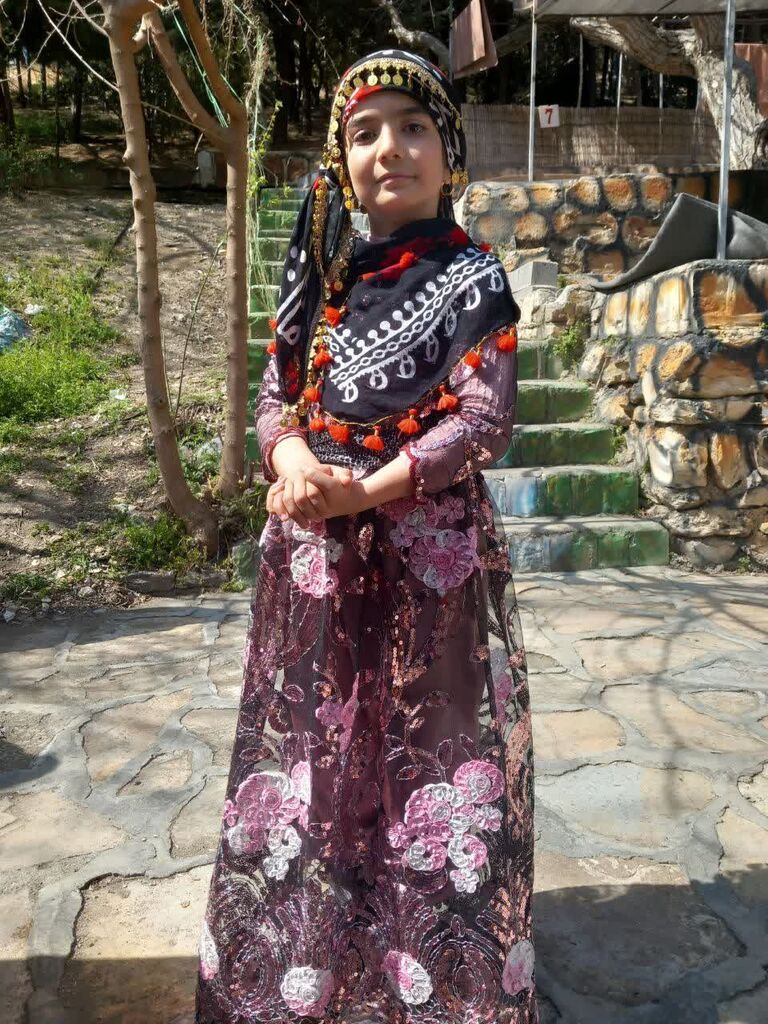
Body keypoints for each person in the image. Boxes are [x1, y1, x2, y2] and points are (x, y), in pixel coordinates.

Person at [195, 48, 538, 1024]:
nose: (391, 148)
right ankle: (317, 964)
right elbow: (277, 394)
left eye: (414, 126)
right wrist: (291, 459)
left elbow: (483, 421)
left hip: (429, 567)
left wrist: (365, 491)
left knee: (427, 757)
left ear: (450, 152)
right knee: (320, 759)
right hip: (318, 562)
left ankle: (431, 976)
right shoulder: (322, 274)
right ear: (341, 161)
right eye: (365, 132)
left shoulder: (472, 277)